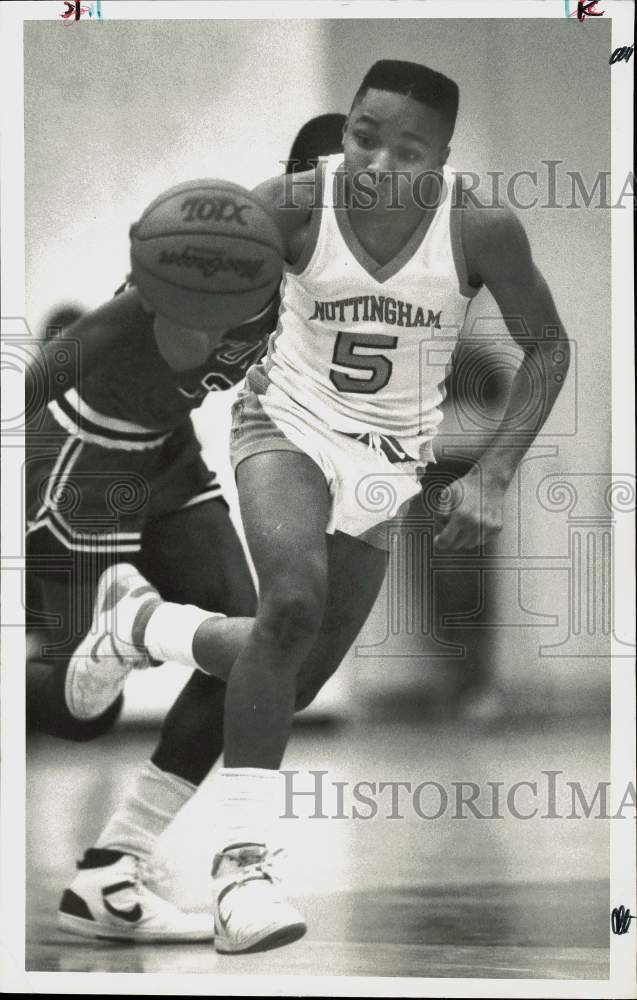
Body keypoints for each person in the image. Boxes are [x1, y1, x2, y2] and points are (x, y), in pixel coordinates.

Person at [71, 59, 571, 953]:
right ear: (346, 130)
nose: (376, 161)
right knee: (290, 605)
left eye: (405, 148)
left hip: (387, 462)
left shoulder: (480, 227)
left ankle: (142, 662)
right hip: (287, 424)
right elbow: (163, 285)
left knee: (285, 671)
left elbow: (547, 350)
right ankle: (242, 872)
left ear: (443, 157)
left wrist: (492, 472)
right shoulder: (295, 203)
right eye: (362, 135)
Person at [30, 115, 347, 944]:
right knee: (78, 715)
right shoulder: (231, 239)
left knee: (258, 659)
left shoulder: (351, 285)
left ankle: (111, 870)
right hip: (79, 452)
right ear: (294, 181)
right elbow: (97, 334)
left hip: (170, 458)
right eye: (333, 182)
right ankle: (128, 627)